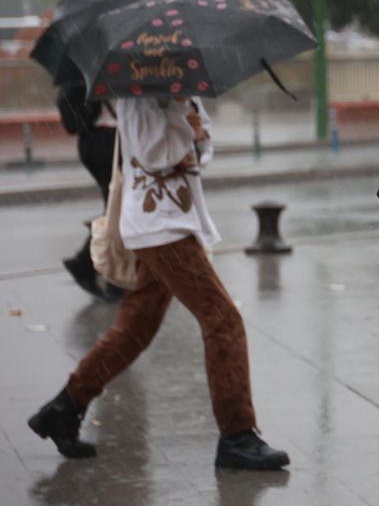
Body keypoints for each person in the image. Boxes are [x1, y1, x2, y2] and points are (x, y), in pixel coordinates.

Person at [28, 96, 289, 471]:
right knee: (222, 319)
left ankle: (64, 408)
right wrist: (188, 129)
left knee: (135, 329)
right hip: (160, 227)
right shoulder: (140, 93)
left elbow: (201, 153)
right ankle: (237, 436)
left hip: (176, 221)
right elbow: (152, 155)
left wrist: (196, 133)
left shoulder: (181, 88)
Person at [56, 82, 121, 300]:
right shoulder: (102, 73)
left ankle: (88, 264)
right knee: (118, 209)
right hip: (104, 141)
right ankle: (106, 274)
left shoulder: (91, 71)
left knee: (117, 208)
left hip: (97, 141)